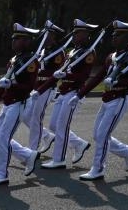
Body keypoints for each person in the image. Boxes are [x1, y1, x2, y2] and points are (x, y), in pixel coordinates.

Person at [74, 20, 128, 181]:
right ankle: (127, 152)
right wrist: (80, 94)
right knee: (98, 135)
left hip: (119, 99)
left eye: (118, 35)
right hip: (107, 99)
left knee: (103, 134)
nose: (114, 38)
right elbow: (99, 76)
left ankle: (98, 169)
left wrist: (117, 81)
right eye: (113, 35)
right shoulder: (111, 56)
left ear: (127, 38)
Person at [0, 23, 41, 186]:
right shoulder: (15, 59)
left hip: (19, 104)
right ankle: (28, 156)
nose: (13, 42)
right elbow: (3, 85)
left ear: (27, 42)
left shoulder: (32, 62)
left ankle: (1, 175)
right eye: (13, 39)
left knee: (3, 139)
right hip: (8, 104)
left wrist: (12, 85)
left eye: (18, 39)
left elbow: (29, 87)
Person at [39, 19, 98, 169]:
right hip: (63, 91)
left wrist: (64, 76)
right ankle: (79, 144)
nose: (74, 35)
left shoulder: (89, 53)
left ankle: (58, 159)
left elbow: (83, 76)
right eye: (74, 32)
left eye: (78, 33)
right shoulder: (73, 51)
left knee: (61, 126)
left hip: (74, 92)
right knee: (53, 125)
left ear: (86, 34)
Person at [22, 21, 64, 154]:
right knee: (25, 116)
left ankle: (33, 149)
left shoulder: (58, 52)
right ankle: (47, 136)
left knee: (36, 118)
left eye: (47, 34)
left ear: (53, 36)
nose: (43, 36)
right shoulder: (43, 50)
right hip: (36, 88)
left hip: (46, 88)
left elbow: (56, 72)